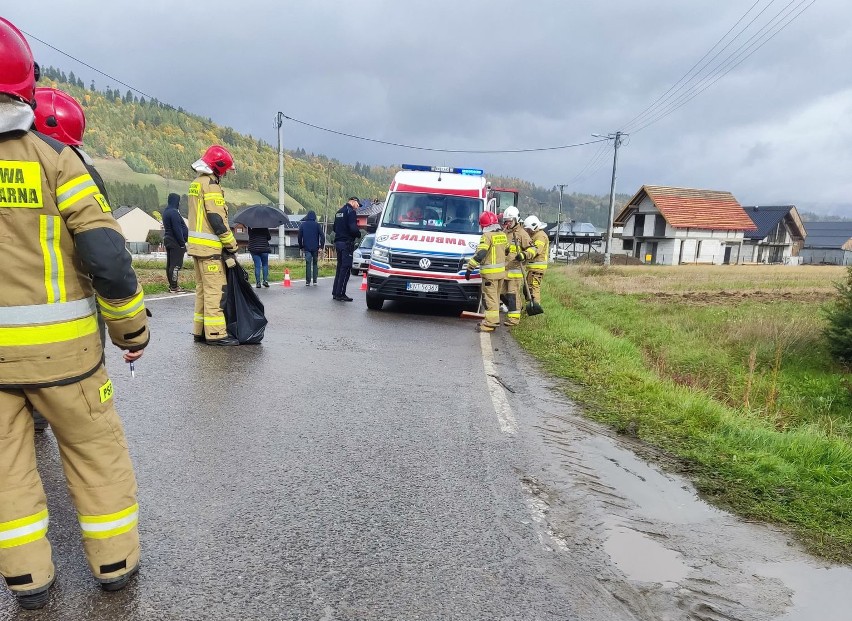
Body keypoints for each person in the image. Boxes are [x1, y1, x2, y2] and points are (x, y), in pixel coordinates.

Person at [0, 17, 150, 609]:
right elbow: (108, 258)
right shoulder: (56, 160)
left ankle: (28, 581)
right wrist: (131, 329)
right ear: (26, 83)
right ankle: (114, 564)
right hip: (70, 362)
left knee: (7, 474)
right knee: (95, 456)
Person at [186, 144, 240, 345]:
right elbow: (217, 219)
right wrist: (232, 244)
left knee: (202, 290)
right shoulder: (211, 186)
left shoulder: (196, 183)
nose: (224, 175)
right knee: (216, 291)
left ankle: (200, 331)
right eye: (224, 171)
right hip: (210, 249)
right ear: (218, 167)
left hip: (197, 248)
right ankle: (216, 334)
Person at [465, 211, 507, 332]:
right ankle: (492, 320)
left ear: (483, 225)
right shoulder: (502, 235)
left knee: (490, 298)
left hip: (490, 275)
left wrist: (469, 268)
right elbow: (507, 250)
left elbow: (481, 253)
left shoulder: (487, 236)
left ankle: (490, 323)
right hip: (501, 273)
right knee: (496, 297)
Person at [500, 206, 536, 327]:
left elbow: (533, 249)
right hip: (504, 270)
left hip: (515, 271)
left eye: (510, 221)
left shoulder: (522, 234)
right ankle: (518, 307)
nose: (507, 223)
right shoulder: (505, 232)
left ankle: (514, 319)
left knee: (512, 294)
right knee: (501, 293)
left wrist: (524, 254)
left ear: (516, 219)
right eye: (506, 221)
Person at [332, 197, 362, 301]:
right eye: (358, 205)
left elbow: (334, 228)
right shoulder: (351, 212)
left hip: (338, 243)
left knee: (339, 268)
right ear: (353, 201)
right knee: (346, 268)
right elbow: (353, 229)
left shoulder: (339, 212)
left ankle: (335, 292)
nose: (357, 207)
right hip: (346, 244)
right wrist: (358, 234)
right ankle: (341, 293)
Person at [162, 193, 188, 293]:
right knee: (176, 265)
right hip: (175, 241)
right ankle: (174, 287)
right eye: (179, 201)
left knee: (170, 264)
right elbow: (177, 229)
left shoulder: (166, 212)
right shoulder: (174, 213)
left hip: (168, 239)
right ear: (176, 201)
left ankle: (171, 285)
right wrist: (182, 244)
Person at [523, 215, 549, 306]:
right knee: (528, 289)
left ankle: (535, 310)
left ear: (533, 227)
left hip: (537, 268)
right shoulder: (536, 235)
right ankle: (530, 308)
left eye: (528, 229)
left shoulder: (540, 236)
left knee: (534, 288)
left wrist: (525, 254)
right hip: (533, 269)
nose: (527, 231)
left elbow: (537, 249)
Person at [298, 210, 325, 286]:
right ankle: (315, 281)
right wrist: (321, 246)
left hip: (306, 247)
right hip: (315, 247)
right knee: (315, 264)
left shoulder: (303, 225)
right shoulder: (317, 225)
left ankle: (308, 281)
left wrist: (301, 246)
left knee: (308, 263)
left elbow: (299, 236)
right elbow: (322, 236)